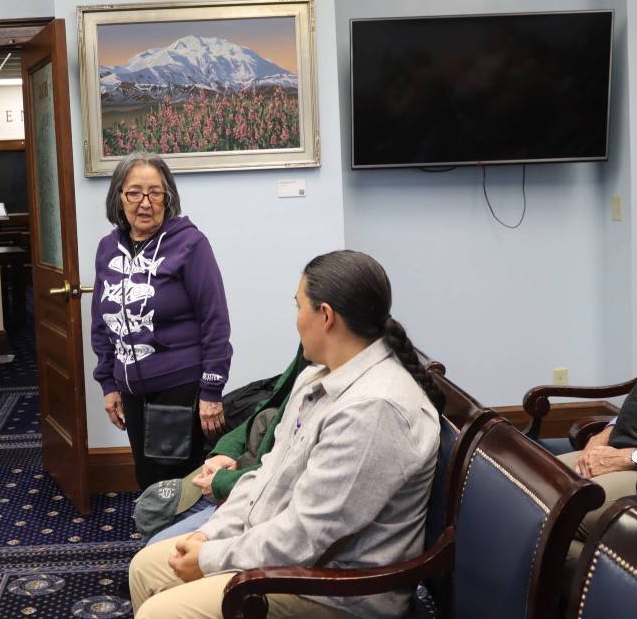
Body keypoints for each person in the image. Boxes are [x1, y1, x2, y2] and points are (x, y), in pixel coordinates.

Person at [129, 250, 444, 619]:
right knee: (145, 567)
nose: (295, 320)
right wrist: (209, 534)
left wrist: (210, 558)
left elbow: (305, 536)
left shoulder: (373, 409)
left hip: (336, 592)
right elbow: (265, 477)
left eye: (298, 306)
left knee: (161, 612)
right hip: (294, 562)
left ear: (325, 316)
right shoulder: (315, 378)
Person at [92, 151, 232, 490]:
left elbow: (215, 321)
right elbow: (100, 322)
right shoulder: (107, 248)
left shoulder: (190, 244)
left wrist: (211, 390)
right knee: (147, 479)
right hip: (130, 390)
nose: (145, 203)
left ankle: (176, 527)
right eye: (134, 193)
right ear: (119, 197)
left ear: (168, 198)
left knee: (179, 486)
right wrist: (108, 384)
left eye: (155, 193)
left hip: (179, 387)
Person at [137, 345, 309, 545]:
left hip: (263, 498)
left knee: (155, 546)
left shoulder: (334, 406)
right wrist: (225, 452)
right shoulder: (309, 363)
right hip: (245, 467)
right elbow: (265, 411)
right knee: (151, 508)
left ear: (328, 325)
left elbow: (284, 478)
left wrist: (224, 483)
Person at [558, 310, 637, 538]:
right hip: (623, 442)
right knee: (536, 485)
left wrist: (628, 458)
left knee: (566, 513)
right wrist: (603, 436)